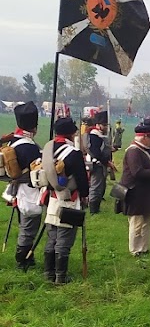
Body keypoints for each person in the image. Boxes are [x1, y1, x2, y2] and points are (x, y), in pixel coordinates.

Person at [41, 116, 90, 284]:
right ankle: (60, 277)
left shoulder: (48, 147)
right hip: (69, 199)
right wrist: (85, 194)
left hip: (52, 198)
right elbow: (82, 179)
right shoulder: (73, 153)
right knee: (65, 238)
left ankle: (48, 273)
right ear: (70, 133)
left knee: (52, 236)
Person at [6, 102, 43, 271]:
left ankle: (28, 255)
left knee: (25, 224)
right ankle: (23, 260)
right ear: (33, 126)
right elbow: (37, 169)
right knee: (29, 226)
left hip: (19, 189)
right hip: (29, 189)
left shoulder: (14, 141)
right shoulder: (28, 146)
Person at [120, 119, 150, 257]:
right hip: (135, 193)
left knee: (146, 222)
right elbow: (137, 173)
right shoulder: (134, 151)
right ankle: (135, 250)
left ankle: (144, 248)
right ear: (144, 137)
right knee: (137, 224)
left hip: (144, 192)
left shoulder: (142, 150)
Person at [87, 110, 113, 214]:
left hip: (101, 164)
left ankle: (96, 208)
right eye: (104, 125)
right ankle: (93, 210)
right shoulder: (94, 136)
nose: (106, 127)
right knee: (95, 187)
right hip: (96, 164)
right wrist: (106, 161)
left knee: (100, 186)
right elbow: (96, 153)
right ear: (98, 125)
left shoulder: (99, 135)